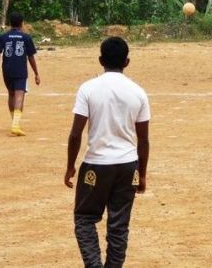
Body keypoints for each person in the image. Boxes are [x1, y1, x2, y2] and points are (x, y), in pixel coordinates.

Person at [65, 37, 150, 267]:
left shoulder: (88, 89)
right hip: (127, 165)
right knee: (119, 225)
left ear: (101, 60)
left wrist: (70, 166)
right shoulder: (138, 92)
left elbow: (75, 134)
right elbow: (143, 140)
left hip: (96, 163)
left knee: (84, 218)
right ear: (127, 62)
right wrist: (141, 174)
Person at [0, 12, 40, 136]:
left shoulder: (3, 37)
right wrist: (36, 73)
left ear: (10, 23)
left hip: (6, 70)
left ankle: (14, 123)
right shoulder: (26, 37)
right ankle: (15, 126)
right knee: (19, 95)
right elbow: (31, 57)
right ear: (22, 23)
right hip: (20, 70)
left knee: (11, 94)